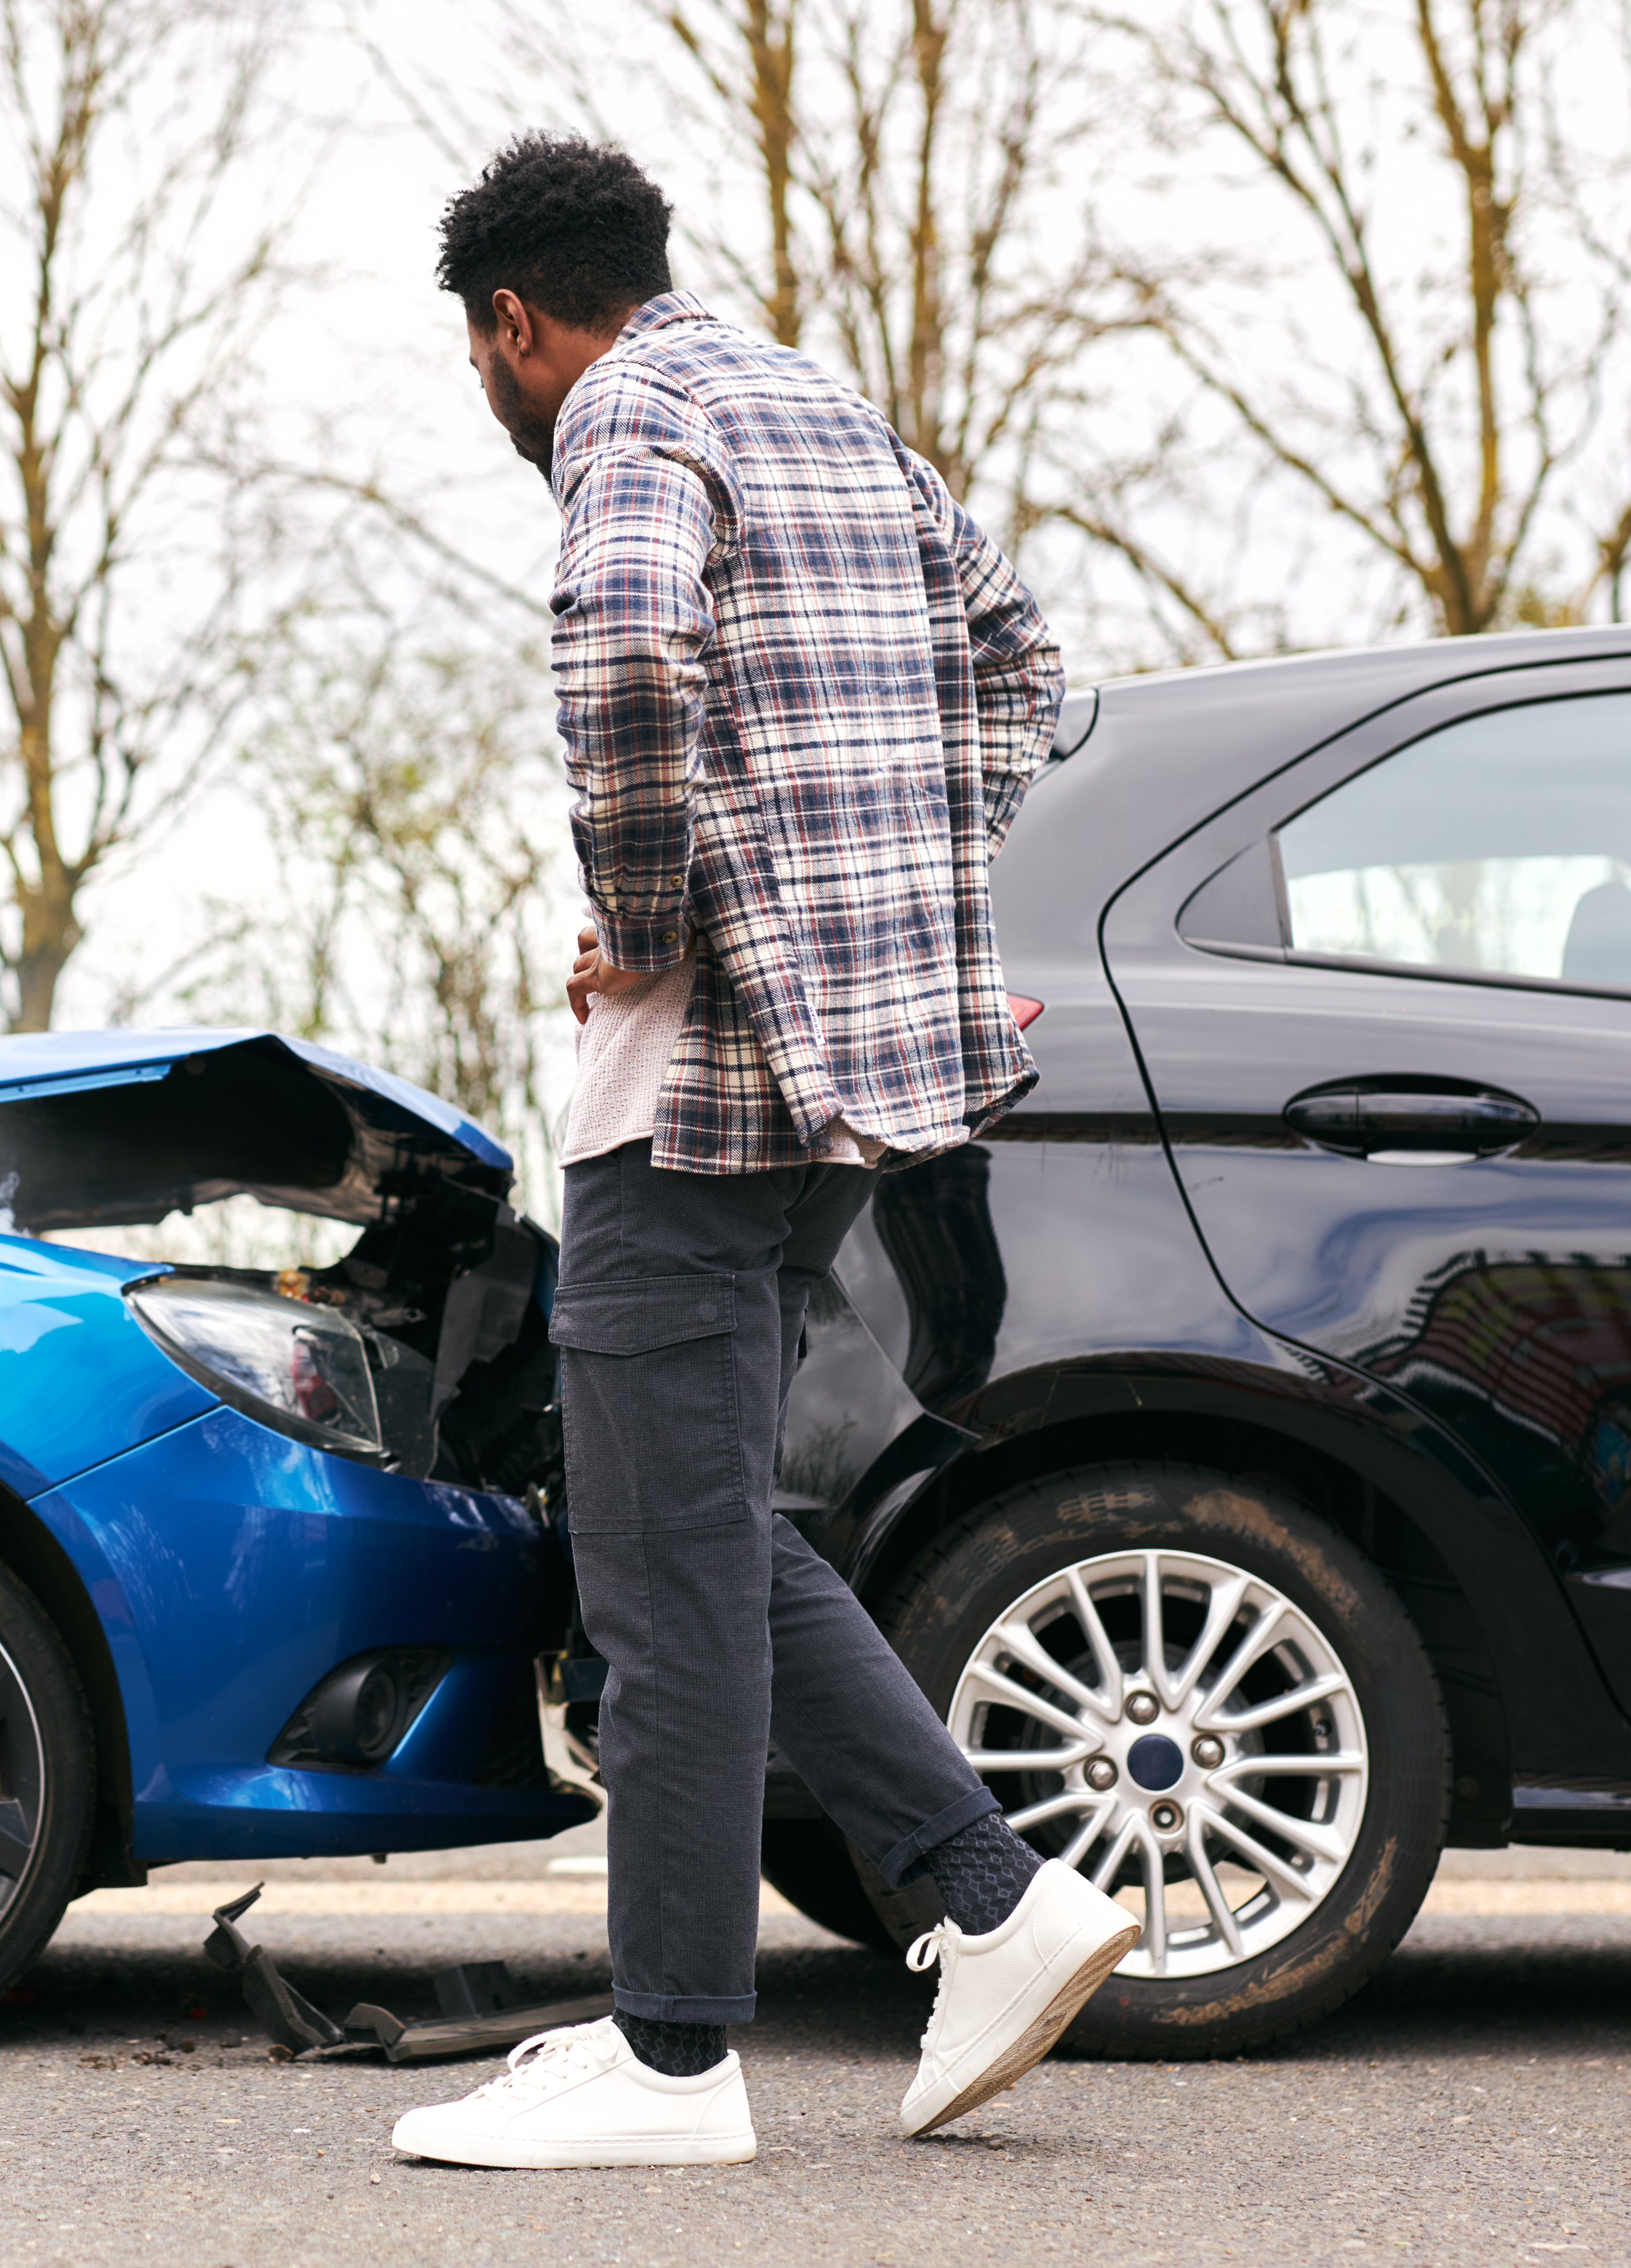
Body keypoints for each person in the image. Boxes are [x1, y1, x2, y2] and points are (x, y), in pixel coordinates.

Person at [390, 135, 1136, 2169]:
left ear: (515, 325)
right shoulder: (815, 401)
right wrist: (900, 903)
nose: (494, 397)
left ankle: (669, 2053)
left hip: (700, 1089)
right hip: (847, 1083)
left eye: (481, 361)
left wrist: (646, 911)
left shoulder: (625, 412)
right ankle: (996, 1900)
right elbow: (1019, 657)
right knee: (709, 1527)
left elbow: (626, 655)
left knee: (653, 1569)